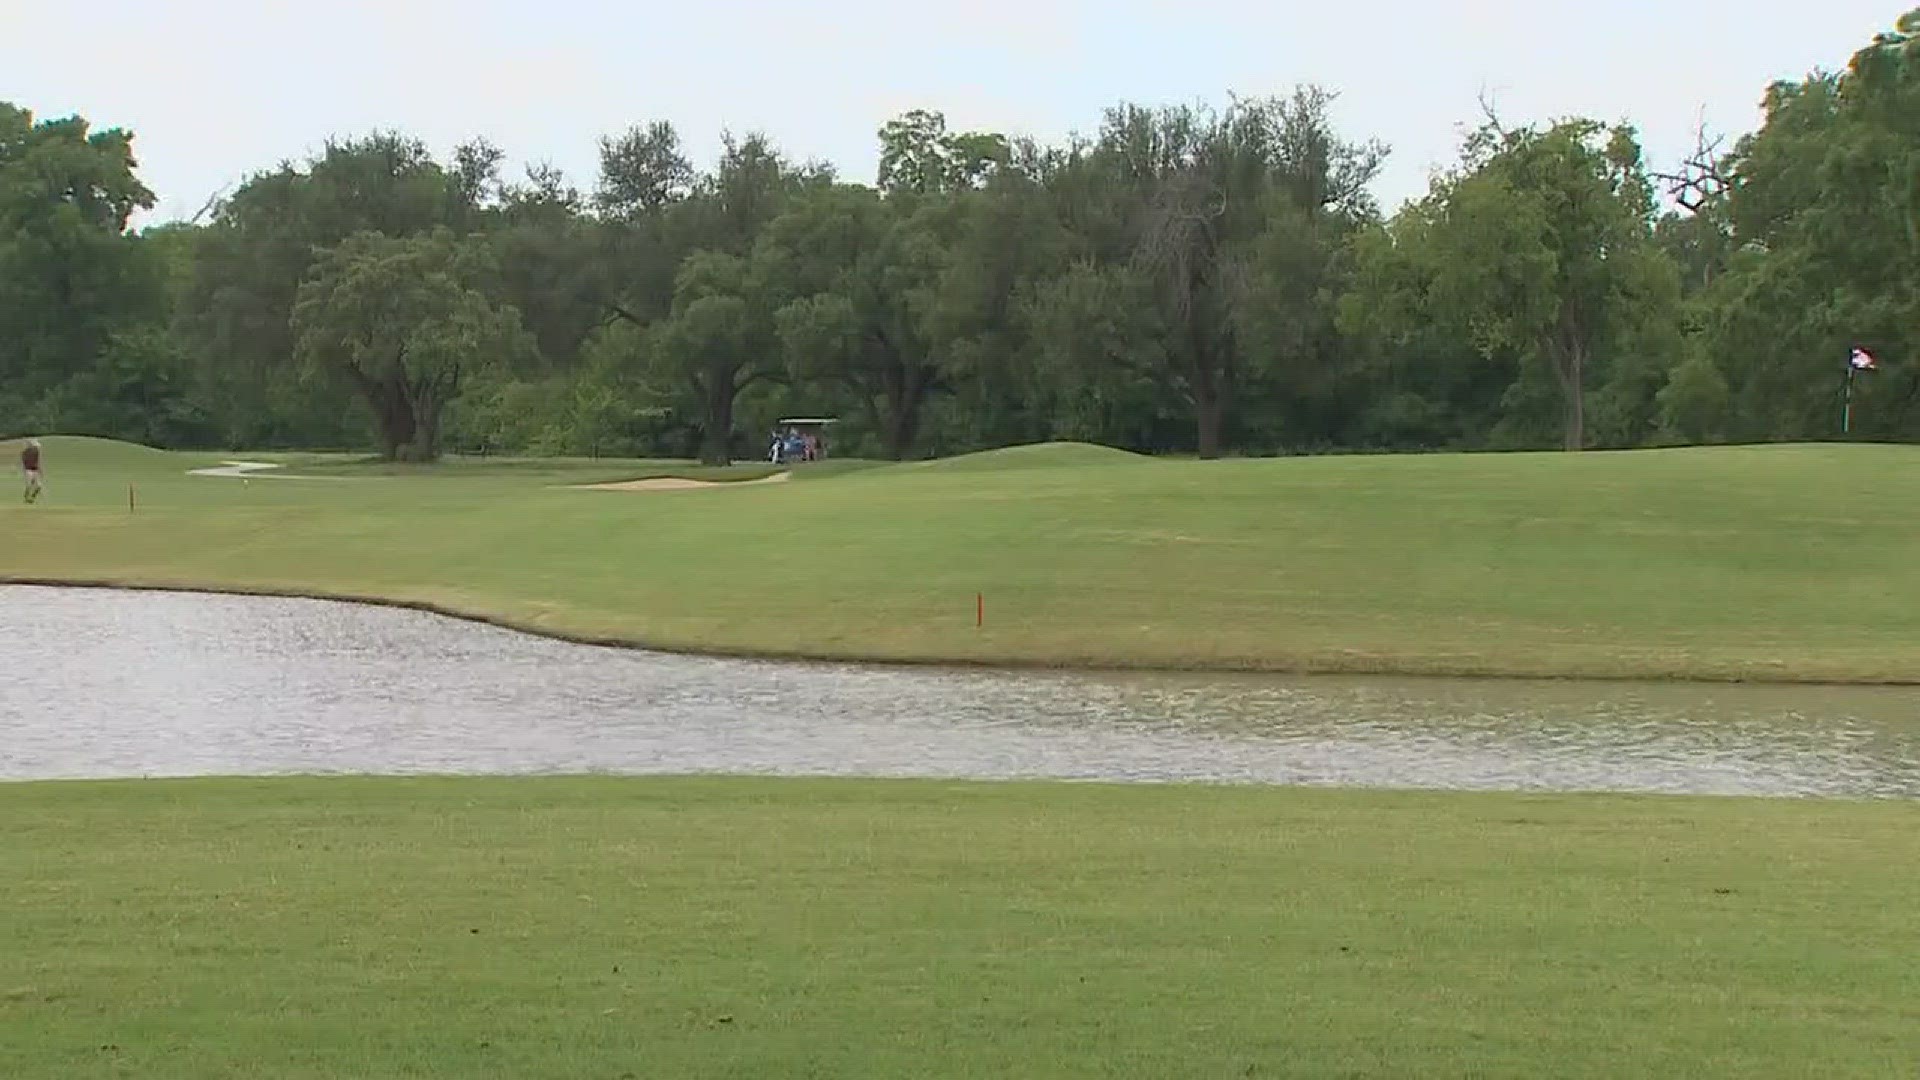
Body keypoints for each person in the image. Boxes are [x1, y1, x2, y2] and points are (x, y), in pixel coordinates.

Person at [20, 438, 42, 504]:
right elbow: (23, 462)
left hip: (35, 470)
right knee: (29, 485)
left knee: (38, 486)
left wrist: (39, 470)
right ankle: (26, 498)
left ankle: (32, 498)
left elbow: (38, 461)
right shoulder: (25, 452)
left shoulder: (36, 452)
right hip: (28, 470)